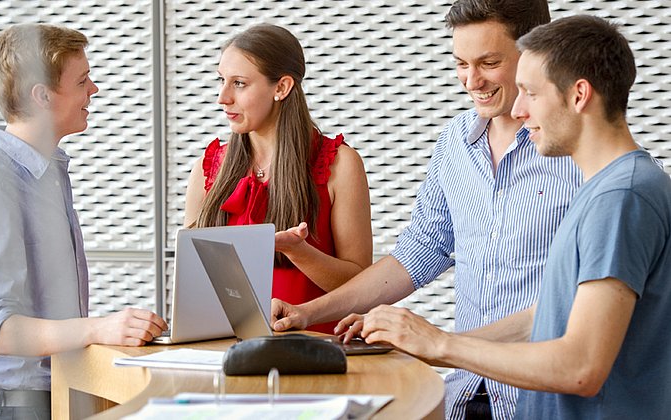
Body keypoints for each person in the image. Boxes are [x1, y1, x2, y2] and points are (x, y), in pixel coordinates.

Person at [271, 1, 582, 418]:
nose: (472, 81)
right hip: (467, 391)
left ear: (534, 57)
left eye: (489, 62)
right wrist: (308, 313)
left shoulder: (579, 151)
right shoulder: (455, 141)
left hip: (547, 398)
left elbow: (581, 302)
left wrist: (438, 341)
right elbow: (418, 253)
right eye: (461, 63)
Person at [360, 14, 671, 419]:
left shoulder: (622, 198)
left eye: (530, 93)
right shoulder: (606, 189)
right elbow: (547, 316)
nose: (519, 110)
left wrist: (441, 345)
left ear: (579, 95)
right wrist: (432, 344)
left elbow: (581, 367)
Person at [0, 24, 167, 419]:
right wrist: (98, 329)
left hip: (59, 399)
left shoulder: (50, 172)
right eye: (82, 80)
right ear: (42, 96)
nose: (93, 89)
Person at [183, 24, 373, 334]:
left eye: (239, 83)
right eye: (222, 81)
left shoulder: (340, 164)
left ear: (281, 87)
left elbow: (362, 286)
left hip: (315, 352)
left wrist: (299, 251)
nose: (223, 97)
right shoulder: (207, 168)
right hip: (224, 353)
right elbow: (194, 282)